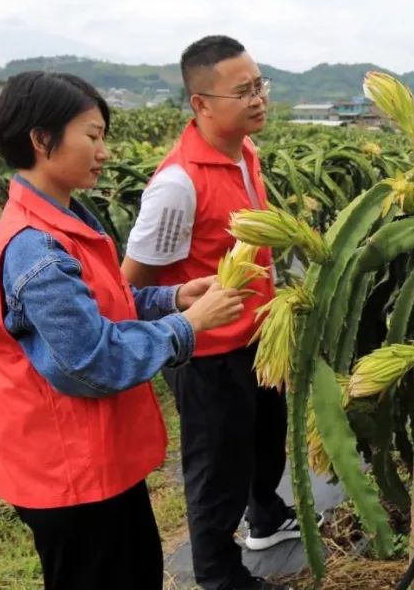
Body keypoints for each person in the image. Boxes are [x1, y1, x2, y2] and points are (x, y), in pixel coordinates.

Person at [0, 71, 249, 590]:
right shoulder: (36, 245)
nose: (103, 151)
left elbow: (104, 306)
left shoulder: (63, 219)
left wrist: (172, 296)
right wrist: (187, 325)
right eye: (93, 135)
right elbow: (90, 361)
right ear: (41, 140)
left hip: (94, 460)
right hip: (68, 473)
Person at [122, 35, 318, 590]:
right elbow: (131, 282)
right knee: (216, 468)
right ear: (201, 104)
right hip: (206, 352)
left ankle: (265, 517)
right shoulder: (176, 185)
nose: (259, 99)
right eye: (243, 91)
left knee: (262, 440)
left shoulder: (244, 154)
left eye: (261, 86)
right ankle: (216, 573)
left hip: (257, 337)